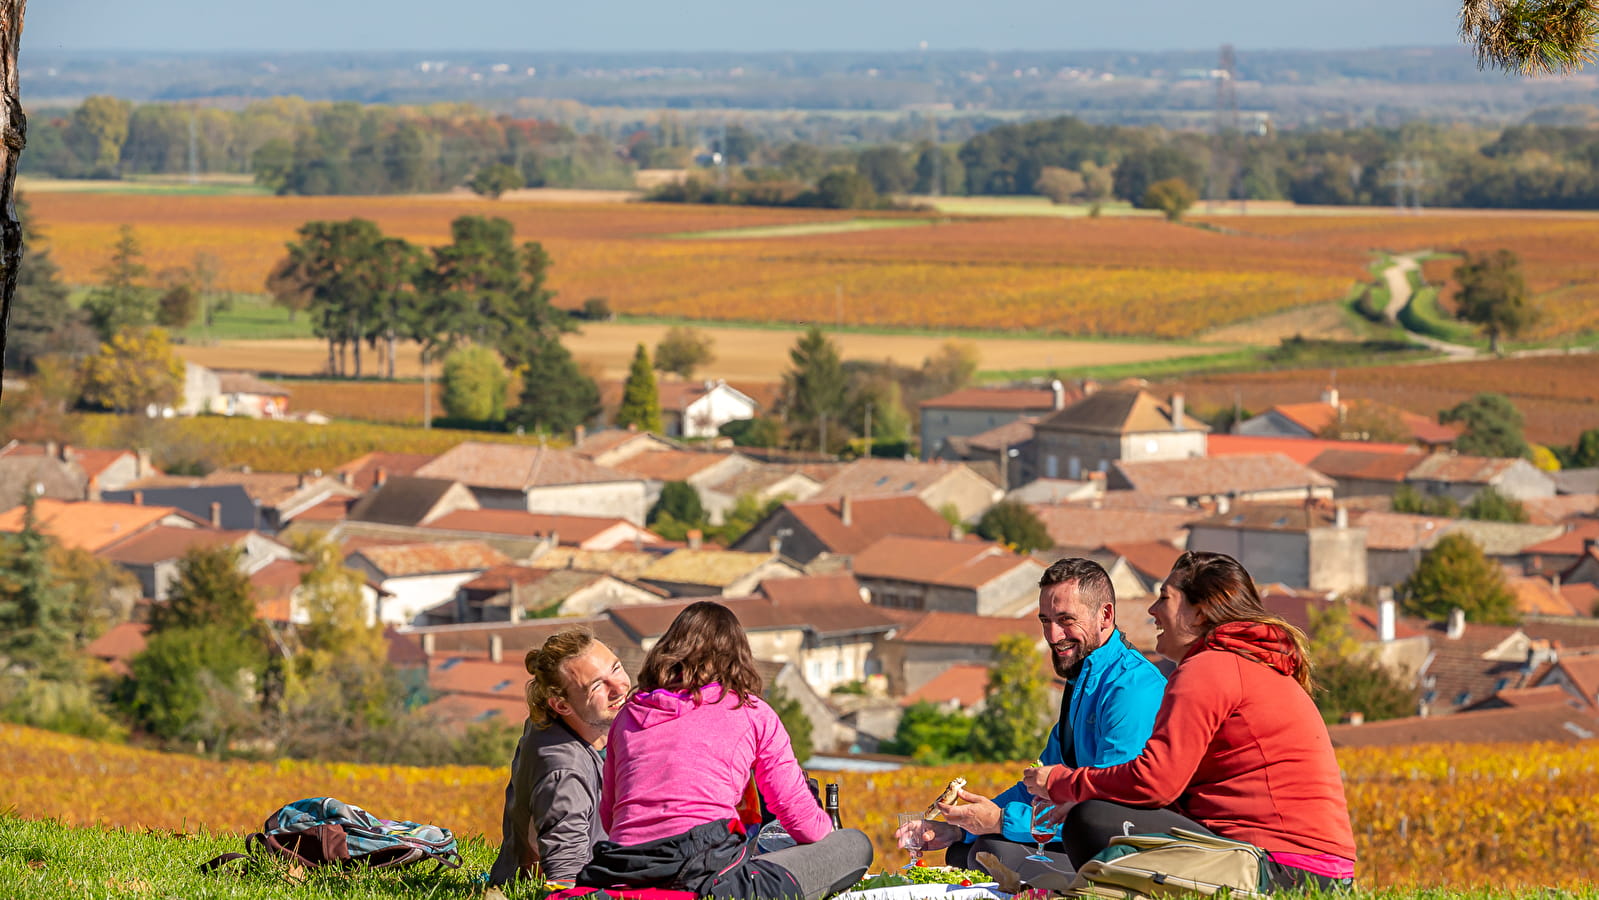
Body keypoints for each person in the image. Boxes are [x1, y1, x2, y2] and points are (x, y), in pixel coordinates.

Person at [1024, 551, 1357, 892]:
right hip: (1318, 870)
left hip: (1281, 868)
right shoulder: (1251, 664)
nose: (1153, 611)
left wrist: (1066, 784)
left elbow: (1155, 782)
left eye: (1165, 598)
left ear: (1199, 613)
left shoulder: (1209, 667)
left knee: (1092, 819)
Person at [578, 601, 873, 900]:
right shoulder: (751, 712)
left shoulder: (630, 714)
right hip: (707, 878)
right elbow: (801, 821)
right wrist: (827, 833)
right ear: (737, 656)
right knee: (854, 845)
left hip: (623, 871)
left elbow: (611, 813)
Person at [899, 558, 1167, 879]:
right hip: (1079, 835)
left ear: (1105, 615)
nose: (1053, 635)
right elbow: (1038, 786)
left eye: (1066, 620)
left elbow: (1108, 811)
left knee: (991, 853)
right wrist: (964, 826)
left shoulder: (1133, 689)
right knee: (963, 850)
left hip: (1125, 852)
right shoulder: (1082, 680)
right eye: (1045, 620)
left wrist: (1000, 821)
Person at [488, 628, 632, 886]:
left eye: (616, 668)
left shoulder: (550, 722)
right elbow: (566, 878)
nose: (619, 687)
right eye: (597, 686)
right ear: (561, 705)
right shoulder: (564, 773)